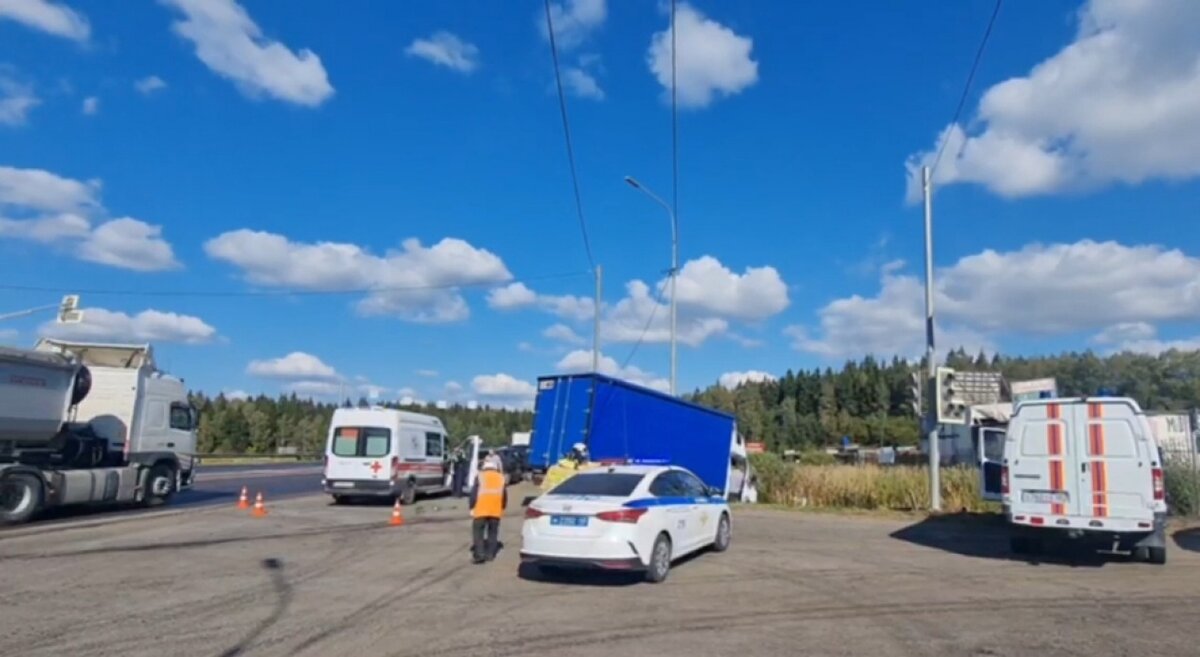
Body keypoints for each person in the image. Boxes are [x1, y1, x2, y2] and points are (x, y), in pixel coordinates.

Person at [469, 457, 507, 564]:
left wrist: (471, 507)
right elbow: (504, 495)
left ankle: (480, 554)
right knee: (493, 532)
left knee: (478, 532)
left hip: (481, 509)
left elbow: (474, 494)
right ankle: (490, 555)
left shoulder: (480, 476)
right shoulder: (501, 477)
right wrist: (503, 507)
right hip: (495, 510)